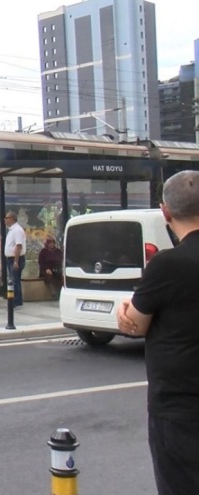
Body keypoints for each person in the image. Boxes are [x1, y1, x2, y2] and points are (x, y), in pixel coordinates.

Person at [116, 170, 199, 494]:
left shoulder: (167, 265)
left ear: (165, 211)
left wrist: (126, 308)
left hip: (180, 409)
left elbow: (135, 322)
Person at [4, 211, 27, 307]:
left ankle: (16, 301)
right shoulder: (11, 230)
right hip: (11, 258)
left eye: (7, 218)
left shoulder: (17, 230)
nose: (5, 220)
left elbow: (18, 246)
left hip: (15, 259)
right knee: (13, 279)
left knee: (14, 280)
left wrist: (16, 261)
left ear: (12, 219)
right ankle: (17, 300)